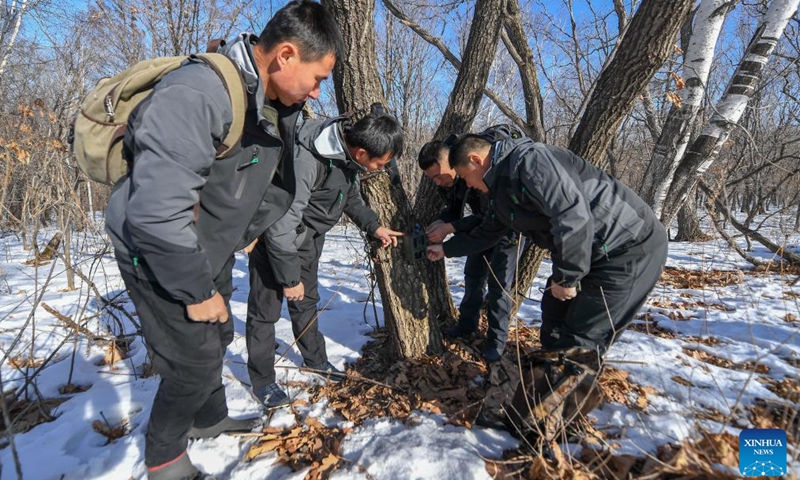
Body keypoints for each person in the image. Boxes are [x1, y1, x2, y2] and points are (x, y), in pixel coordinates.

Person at [104, 2, 343, 479]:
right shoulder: (198, 93)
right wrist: (196, 291)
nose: (318, 91)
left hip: (204, 242)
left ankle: (208, 419)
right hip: (157, 248)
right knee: (191, 362)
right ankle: (166, 462)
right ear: (286, 55)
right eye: (318, 78)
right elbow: (156, 211)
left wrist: (246, 232)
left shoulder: (269, 100)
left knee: (217, 337)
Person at [427, 134, 668, 356]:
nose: (468, 185)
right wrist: (445, 250)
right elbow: (487, 232)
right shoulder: (500, 188)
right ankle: (547, 375)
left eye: (465, 177)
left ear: (476, 160)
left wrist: (567, 278)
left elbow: (572, 217)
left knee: (580, 342)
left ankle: (563, 381)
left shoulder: (532, 161)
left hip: (627, 247)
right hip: (588, 252)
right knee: (553, 316)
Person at [246, 110, 404, 408]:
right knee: (264, 312)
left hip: (308, 240)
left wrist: (374, 226)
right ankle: (263, 380)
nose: (380, 169)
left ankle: (315, 360)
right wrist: (289, 278)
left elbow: (350, 197)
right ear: (362, 152)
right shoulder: (307, 160)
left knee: (307, 302)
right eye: (380, 163)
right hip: (274, 242)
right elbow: (282, 225)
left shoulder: (347, 157)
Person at [418, 139, 520, 362]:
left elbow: (490, 217)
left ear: (452, 163)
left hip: (506, 230)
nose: (438, 182)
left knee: (499, 286)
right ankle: (466, 326)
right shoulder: (450, 182)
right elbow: (456, 210)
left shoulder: (479, 172)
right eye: (432, 179)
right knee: (473, 277)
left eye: (439, 176)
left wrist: (451, 228)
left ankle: (496, 344)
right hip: (478, 232)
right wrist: (442, 222)